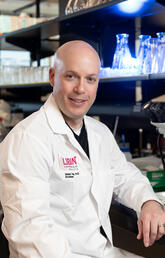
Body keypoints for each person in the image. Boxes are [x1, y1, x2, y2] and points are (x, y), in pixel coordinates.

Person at [0, 40, 165, 258]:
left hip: (102, 250)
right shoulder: (27, 140)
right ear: (52, 77)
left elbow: (124, 175)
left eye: (90, 79)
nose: (80, 89)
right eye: (71, 76)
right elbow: (30, 233)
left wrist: (148, 201)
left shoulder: (99, 132)